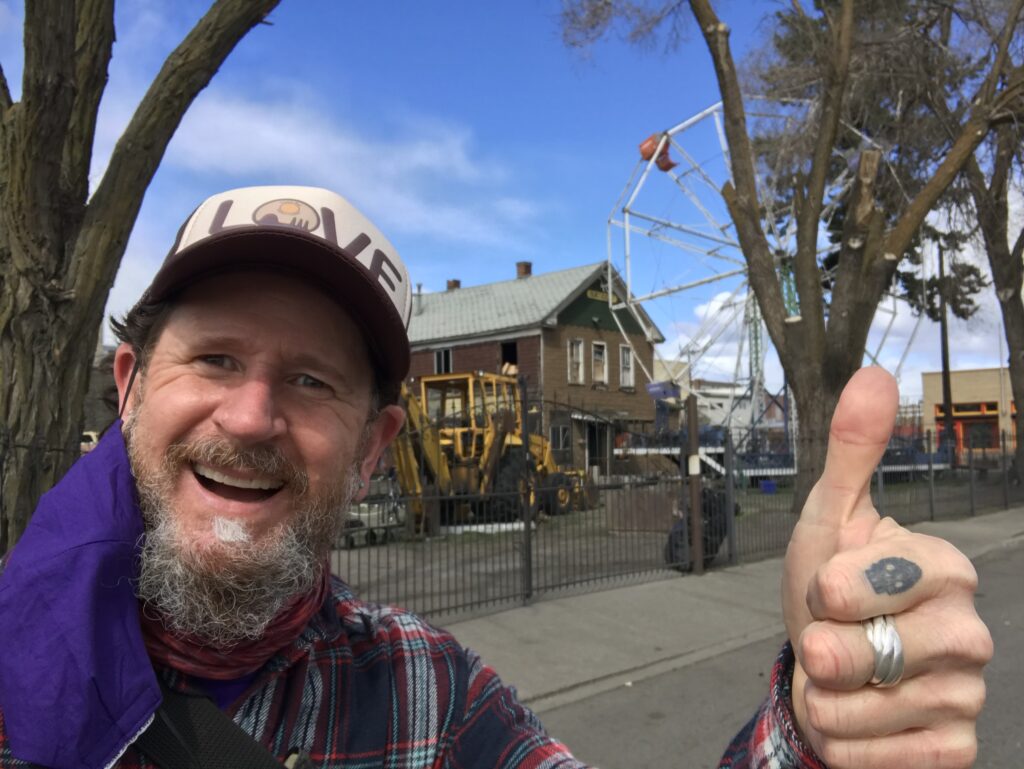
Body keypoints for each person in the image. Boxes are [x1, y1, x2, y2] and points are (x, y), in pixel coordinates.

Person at [0, 185, 991, 769]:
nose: (252, 417)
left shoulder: (436, 703)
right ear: (128, 386)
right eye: (214, 358)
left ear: (375, 444)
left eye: (310, 380)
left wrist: (819, 731)